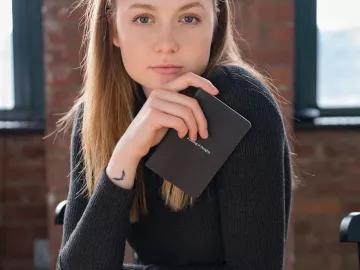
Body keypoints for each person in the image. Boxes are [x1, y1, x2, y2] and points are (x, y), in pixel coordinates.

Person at [53, 0, 295, 269]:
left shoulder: (239, 101)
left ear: (215, 24)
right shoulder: (97, 115)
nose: (167, 44)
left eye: (188, 18)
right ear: (112, 28)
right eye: (144, 19)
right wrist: (126, 152)